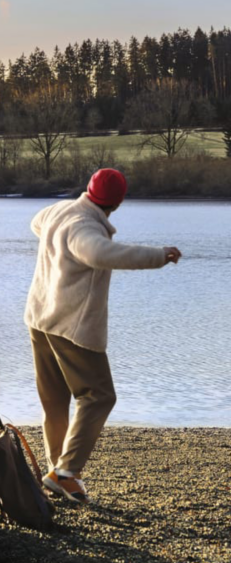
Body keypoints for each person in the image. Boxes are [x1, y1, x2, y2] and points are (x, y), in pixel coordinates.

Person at [24, 168, 181, 504]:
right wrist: (158, 255)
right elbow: (99, 253)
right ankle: (66, 473)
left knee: (54, 402)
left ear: (88, 189)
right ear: (118, 203)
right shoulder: (84, 226)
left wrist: (53, 237)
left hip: (39, 319)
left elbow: (37, 222)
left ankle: (57, 473)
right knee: (99, 396)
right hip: (71, 327)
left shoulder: (59, 211)